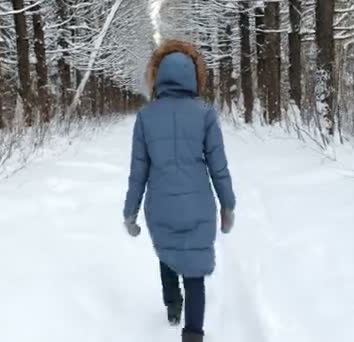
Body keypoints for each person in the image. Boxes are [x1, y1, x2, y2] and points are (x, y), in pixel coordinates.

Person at [122, 40, 236, 342]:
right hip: (198, 204)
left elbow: (138, 173)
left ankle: (173, 306)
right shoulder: (205, 114)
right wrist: (227, 205)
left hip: (160, 205)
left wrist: (130, 212)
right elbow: (219, 167)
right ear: (195, 75)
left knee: (168, 253)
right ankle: (193, 334)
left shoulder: (146, 117)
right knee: (195, 269)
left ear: (157, 76)